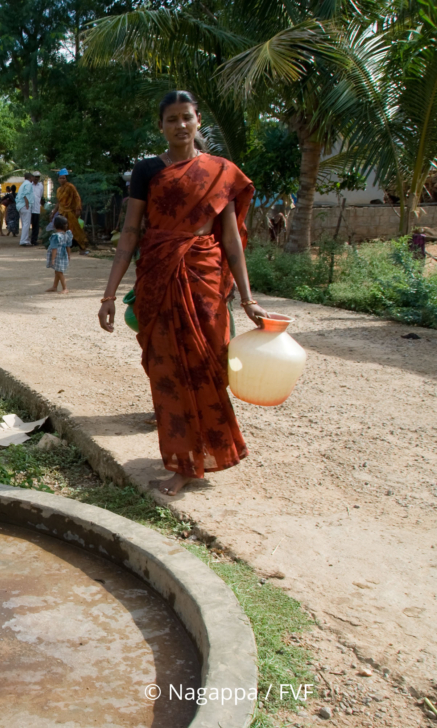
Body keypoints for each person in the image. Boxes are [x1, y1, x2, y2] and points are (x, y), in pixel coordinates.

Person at [96, 91, 269, 497]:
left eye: (186, 118)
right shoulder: (146, 171)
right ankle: (183, 462)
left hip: (203, 279)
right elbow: (131, 232)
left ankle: (202, 451)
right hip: (159, 278)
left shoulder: (220, 171)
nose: (179, 125)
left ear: (198, 121)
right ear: (161, 126)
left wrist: (247, 298)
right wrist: (108, 295)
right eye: (171, 119)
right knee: (168, 371)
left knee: (208, 366)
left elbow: (230, 239)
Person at [55, 169, 89, 255]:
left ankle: (83, 249)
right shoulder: (59, 190)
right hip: (62, 214)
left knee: (76, 231)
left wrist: (78, 209)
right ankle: (63, 250)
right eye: (61, 178)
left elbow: (77, 198)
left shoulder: (70, 187)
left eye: (64, 178)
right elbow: (58, 202)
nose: (62, 180)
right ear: (58, 179)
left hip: (70, 213)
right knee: (62, 232)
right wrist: (53, 212)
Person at [45, 215, 73, 293]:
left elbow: (54, 248)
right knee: (57, 271)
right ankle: (54, 286)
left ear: (55, 225)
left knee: (59, 272)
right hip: (64, 255)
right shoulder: (67, 235)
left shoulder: (56, 236)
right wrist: (69, 255)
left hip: (57, 256)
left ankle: (65, 288)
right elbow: (68, 246)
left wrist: (53, 259)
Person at [16, 174, 35, 246]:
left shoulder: (23, 184)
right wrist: (27, 204)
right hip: (25, 205)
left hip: (20, 205)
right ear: (30, 177)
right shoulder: (29, 184)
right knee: (26, 224)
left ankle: (24, 240)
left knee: (24, 224)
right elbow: (26, 194)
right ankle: (24, 240)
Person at [30, 171, 44, 246]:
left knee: (36, 225)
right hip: (29, 207)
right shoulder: (29, 185)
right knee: (28, 224)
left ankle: (34, 239)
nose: (36, 178)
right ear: (32, 177)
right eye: (35, 177)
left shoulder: (40, 186)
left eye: (38, 177)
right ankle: (28, 239)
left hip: (36, 208)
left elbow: (40, 196)